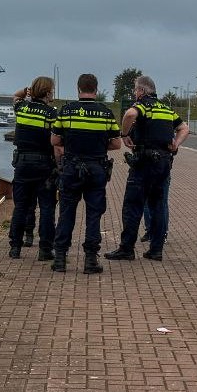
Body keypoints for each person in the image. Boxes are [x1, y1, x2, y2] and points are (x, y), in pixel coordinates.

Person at [105, 75, 188, 262]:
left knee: (133, 205)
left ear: (141, 91)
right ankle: (155, 250)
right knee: (158, 205)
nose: (135, 93)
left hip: (144, 162)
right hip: (164, 163)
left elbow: (129, 115)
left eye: (136, 90)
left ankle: (126, 249)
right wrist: (176, 143)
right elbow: (184, 128)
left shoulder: (142, 105)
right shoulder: (166, 109)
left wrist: (124, 134)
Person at [50, 73, 122, 274]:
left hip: (72, 168)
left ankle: (60, 260)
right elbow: (117, 143)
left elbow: (55, 141)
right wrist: (99, 146)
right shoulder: (106, 113)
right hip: (96, 169)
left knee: (66, 213)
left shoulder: (66, 111)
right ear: (96, 90)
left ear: (78, 89)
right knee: (93, 214)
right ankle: (90, 261)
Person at [8, 76, 59, 261]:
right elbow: (57, 142)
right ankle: (45, 250)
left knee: (20, 206)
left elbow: (15, 96)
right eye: (51, 90)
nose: (53, 93)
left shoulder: (22, 108)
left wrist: (27, 90)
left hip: (22, 164)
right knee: (47, 207)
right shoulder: (52, 114)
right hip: (44, 165)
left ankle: (15, 248)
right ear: (47, 93)